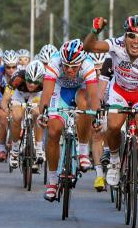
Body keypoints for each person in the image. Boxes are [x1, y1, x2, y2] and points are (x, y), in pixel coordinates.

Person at [83, 15, 138, 198]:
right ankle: (114, 160)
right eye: (131, 35)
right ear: (124, 36)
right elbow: (88, 47)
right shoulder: (116, 44)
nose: (136, 41)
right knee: (112, 126)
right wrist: (95, 31)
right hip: (119, 92)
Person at [37, 40, 100, 201]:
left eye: (74, 67)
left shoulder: (87, 64)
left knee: (85, 105)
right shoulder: (55, 62)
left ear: (80, 63)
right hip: (60, 91)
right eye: (66, 66)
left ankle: (83, 151)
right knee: (53, 131)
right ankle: (52, 182)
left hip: (81, 90)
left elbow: (94, 95)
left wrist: (98, 116)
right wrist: (42, 113)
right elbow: (47, 93)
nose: (69, 70)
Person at [0, 60, 45, 169]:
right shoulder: (18, 76)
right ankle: (15, 150)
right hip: (19, 95)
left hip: (36, 95)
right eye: (29, 80)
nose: (32, 84)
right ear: (26, 76)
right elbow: (5, 98)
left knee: (38, 114)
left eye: (36, 82)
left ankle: (38, 148)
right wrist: (6, 108)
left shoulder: (46, 80)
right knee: (16, 116)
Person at [88, 51, 108, 191]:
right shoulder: (88, 79)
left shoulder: (110, 76)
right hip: (96, 108)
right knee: (96, 134)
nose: (98, 72)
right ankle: (99, 175)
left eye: (100, 69)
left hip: (111, 104)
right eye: (95, 69)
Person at [0, 50, 18, 162]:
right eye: (8, 67)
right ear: (4, 66)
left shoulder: (21, 72)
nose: (11, 70)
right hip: (2, 96)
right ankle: (2, 148)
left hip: (16, 97)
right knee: (3, 119)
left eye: (14, 67)